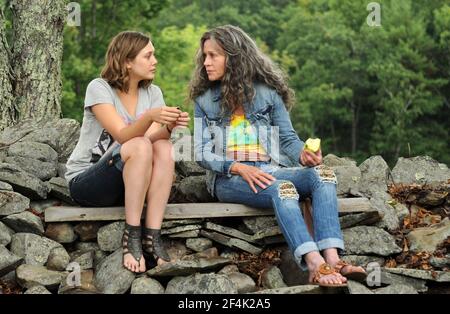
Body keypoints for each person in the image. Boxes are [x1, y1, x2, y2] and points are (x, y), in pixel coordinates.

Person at [190, 25, 366, 287]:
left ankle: (333, 257)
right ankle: (315, 264)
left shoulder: (268, 94)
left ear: (234, 56)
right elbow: (201, 152)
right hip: (228, 178)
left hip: (270, 168)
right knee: (283, 189)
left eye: (213, 55)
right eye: (204, 56)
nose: (206, 63)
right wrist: (238, 167)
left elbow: (288, 140)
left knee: (324, 175)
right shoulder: (204, 100)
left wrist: (304, 155)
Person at [65, 31, 190, 273]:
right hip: (88, 182)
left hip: (130, 182)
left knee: (163, 146)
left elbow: (154, 139)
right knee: (139, 144)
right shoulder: (99, 88)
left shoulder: (153, 94)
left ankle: (152, 237)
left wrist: (169, 127)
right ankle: (131, 237)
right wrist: (150, 117)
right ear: (127, 61)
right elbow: (124, 135)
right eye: (148, 55)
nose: (155, 61)